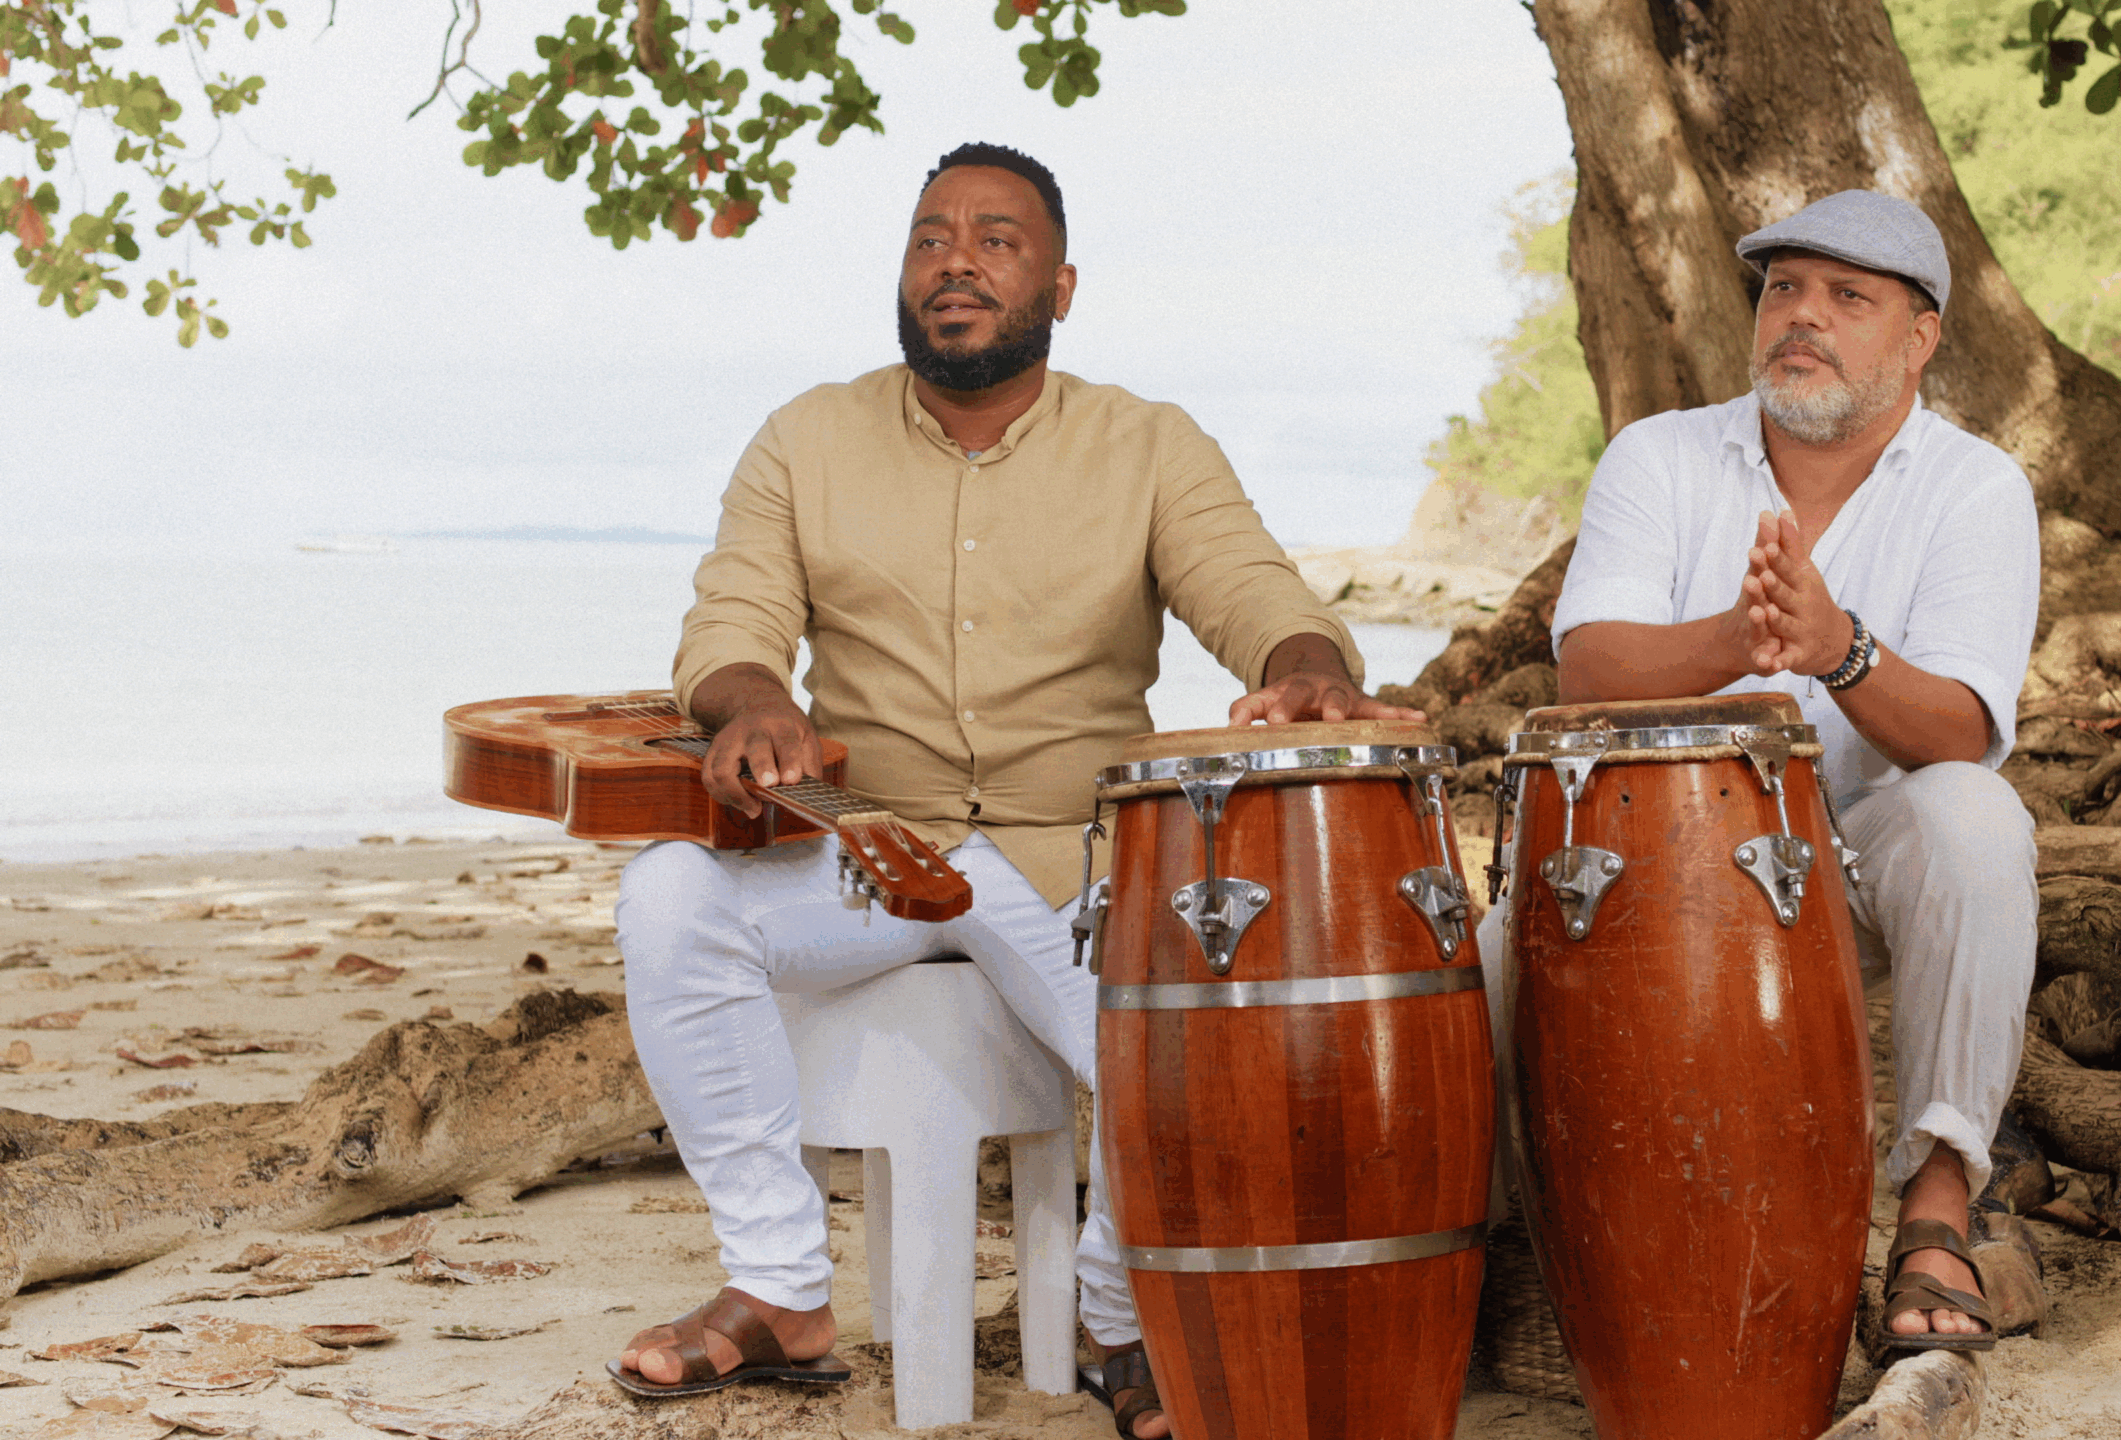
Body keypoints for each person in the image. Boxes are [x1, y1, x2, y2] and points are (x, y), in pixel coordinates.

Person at [608, 142, 1419, 1435]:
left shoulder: (1148, 445)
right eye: (933, 237)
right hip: (872, 863)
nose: (958, 261)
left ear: (1061, 283)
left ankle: (1116, 1312)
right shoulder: (805, 438)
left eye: (997, 239)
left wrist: (1309, 669)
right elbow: (730, 620)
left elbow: (1255, 591)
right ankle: (778, 1291)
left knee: (1203, 1004)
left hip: (1085, 866)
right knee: (665, 895)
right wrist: (755, 699)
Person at [1483, 189, 2040, 1352]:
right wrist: (1737, 640)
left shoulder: (1977, 488)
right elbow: (1588, 668)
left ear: (1920, 336)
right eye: (1784, 287)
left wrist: (1837, 649)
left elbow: (1955, 727)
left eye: (1848, 297)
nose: (1803, 316)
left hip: (1859, 862)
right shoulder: (1662, 454)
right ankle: (1496, 1237)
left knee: (1974, 819)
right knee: (1490, 948)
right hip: (1659, 858)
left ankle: (1938, 1201)